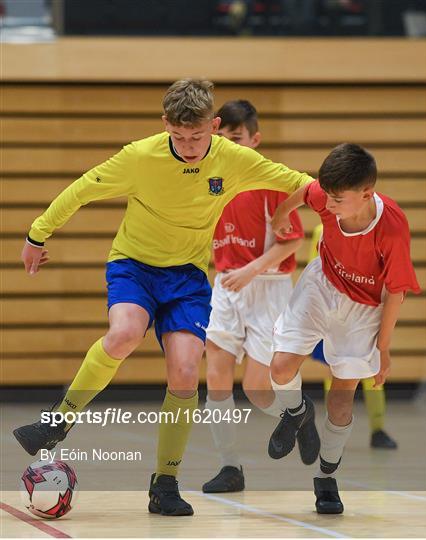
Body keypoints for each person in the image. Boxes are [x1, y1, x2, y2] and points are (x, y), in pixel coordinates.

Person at [13, 79, 313, 517]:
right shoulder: (139, 157)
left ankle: (165, 483)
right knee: (124, 334)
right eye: (179, 137)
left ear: (213, 125)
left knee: (187, 373)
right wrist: (37, 234)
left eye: (198, 137)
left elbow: (297, 181)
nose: (190, 146)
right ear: (165, 125)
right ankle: (59, 419)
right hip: (134, 266)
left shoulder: (231, 157)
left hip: (188, 278)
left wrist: (351, 203)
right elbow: (82, 190)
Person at [267, 143, 420, 514]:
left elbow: (396, 292)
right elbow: (304, 193)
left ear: (366, 194)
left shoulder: (392, 229)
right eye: (328, 198)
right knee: (280, 367)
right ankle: (297, 411)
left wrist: (383, 349)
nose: (328, 207)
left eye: (337, 200)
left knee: (341, 398)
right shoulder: (326, 194)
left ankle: (326, 477)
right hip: (322, 282)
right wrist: (280, 217)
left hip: (364, 307)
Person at [202, 100, 318, 494]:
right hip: (226, 287)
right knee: (216, 378)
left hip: (267, 286)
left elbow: (292, 240)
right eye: (222, 138)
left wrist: (250, 270)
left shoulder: (269, 181)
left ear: (255, 139)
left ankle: (299, 414)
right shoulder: (207, 179)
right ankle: (229, 467)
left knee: (256, 388)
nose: (229, 145)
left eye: (237, 138)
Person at [310, 224, 398, 450]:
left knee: (372, 373)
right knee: (335, 372)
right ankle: (334, 428)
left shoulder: (377, 231)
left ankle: (378, 429)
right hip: (335, 314)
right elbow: (316, 272)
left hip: (366, 313)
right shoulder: (322, 230)